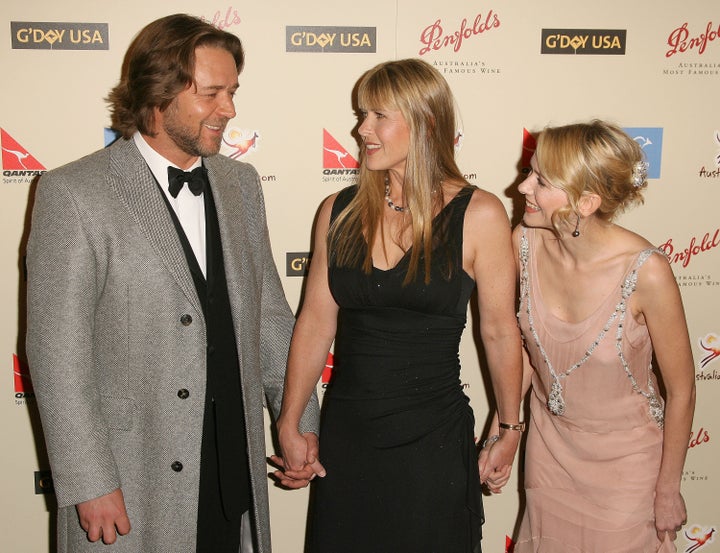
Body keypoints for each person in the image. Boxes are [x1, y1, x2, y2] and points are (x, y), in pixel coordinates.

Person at [25, 13, 319, 553]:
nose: (228, 109)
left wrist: (297, 418)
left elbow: (270, 317)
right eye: (211, 93)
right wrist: (91, 481)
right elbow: (56, 353)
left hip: (232, 468)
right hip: (132, 477)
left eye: (231, 92)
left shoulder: (240, 184)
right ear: (158, 95)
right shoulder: (75, 193)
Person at [271, 58, 523, 552]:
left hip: (432, 442)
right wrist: (290, 419)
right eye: (362, 114)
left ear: (426, 122)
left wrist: (509, 428)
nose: (361, 128)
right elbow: (316, 322)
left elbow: (499, 332)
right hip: (348, 437)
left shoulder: (480, 213)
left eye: (378, 116)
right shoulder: (338, 211)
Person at [502, 120, 696, 552]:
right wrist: (505, 431)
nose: (522, 187)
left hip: (627, 466)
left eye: (541, 180)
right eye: (529, 172)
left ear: (586, 202)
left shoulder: (647, 271)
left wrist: (668, 487)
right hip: (550, 454)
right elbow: (527, 356)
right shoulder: (524, 243)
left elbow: (681, 390)